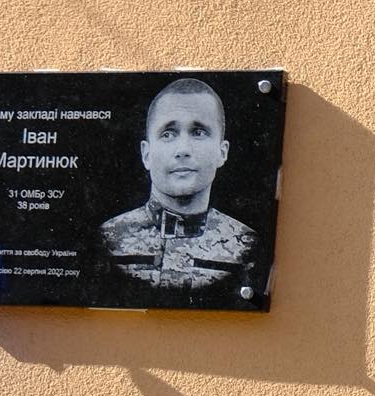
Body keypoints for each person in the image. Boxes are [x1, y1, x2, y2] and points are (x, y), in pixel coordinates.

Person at [99, 77, 258, 298]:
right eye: (168, 134)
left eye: (198, 132)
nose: (183, 149)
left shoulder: (247, 246)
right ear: (146, 154)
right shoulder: (107, 240)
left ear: (222, 152)